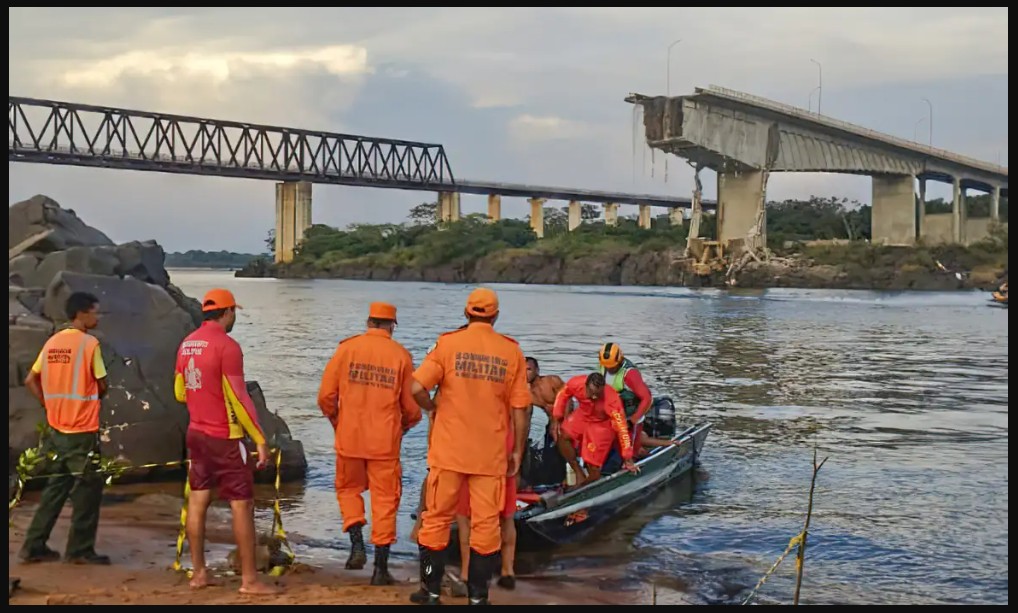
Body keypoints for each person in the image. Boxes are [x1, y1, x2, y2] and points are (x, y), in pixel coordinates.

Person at [409, 288, 531, 606]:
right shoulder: (511, 352)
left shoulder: (448, 344)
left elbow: (416, 387)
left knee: (435, 518)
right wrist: (517, 451)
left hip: (448, 452)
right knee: (486, 524)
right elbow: (521, 409)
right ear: (495, 316)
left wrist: (432, 407)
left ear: (466, 313)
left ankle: (431, 592)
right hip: (489, 456)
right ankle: (478, 598)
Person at [173, 288, 279, 595]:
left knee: (198, 500)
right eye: (235, 312)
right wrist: (259, 439)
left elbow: (179, 391)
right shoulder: (227, 346)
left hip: (196, 433)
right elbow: (239, 396)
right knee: (241, 505)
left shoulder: (187, 343)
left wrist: (202, 396)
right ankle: (250, 580)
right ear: (228, 312)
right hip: (225, 437)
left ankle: (199, 574)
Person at [316, 302, 422, 585]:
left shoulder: (346, 349)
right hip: (384, 443)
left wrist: (339, 423)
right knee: (385, 501)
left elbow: (326, 396)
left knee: (348, 490)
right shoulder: (401, 356)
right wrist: (404, 427)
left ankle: (356, 544)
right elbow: (411, 409)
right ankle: (380, 570)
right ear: (392, 325)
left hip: (349, 438)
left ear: (368, 321)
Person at [18, 292, 110, 565]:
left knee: (56, 487)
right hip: (81, 429)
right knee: (88, 489)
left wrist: (49, 404)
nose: (98, 316)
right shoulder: (89, 344)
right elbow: (102, 383)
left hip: (57, 428)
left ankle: (33, 544)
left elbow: (30, 380)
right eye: (95, 311)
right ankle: (80, 550)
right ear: (81, 314)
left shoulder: (53, 343)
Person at [550, 372, 638, 487]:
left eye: (598, 394)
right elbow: (563, 394)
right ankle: (578, 471)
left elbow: (622, 429)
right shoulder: (576, 383)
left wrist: (627, 457)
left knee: (593, 464)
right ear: (585, 386)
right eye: (591, 393)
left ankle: (587, 485)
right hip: (583, 414)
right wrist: (557, 417)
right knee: (563, 434)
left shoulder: (612, 400)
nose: (594, 397)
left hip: (601, 423)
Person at [597, 342, 653, 448]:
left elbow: (647, 399)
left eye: (612, 367)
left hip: (630, 416)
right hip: (612, 414)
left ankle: (639, 448)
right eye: (607, 367)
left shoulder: (630, 374)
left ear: (619, 360)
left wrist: (633, 420)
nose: (609, 369)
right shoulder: (603, 366)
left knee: (630, 449)